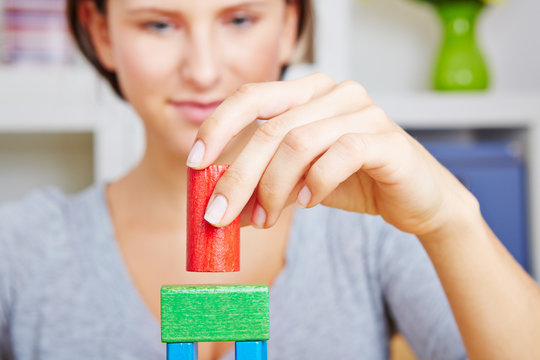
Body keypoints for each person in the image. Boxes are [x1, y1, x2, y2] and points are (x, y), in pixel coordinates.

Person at [0, 0, 539, 359]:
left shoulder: (370, 231)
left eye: (240, 20)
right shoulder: (22, 246)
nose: (204, 71)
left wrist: (450, 218)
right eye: (158, 24)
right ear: (101, 33)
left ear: (289, 26)